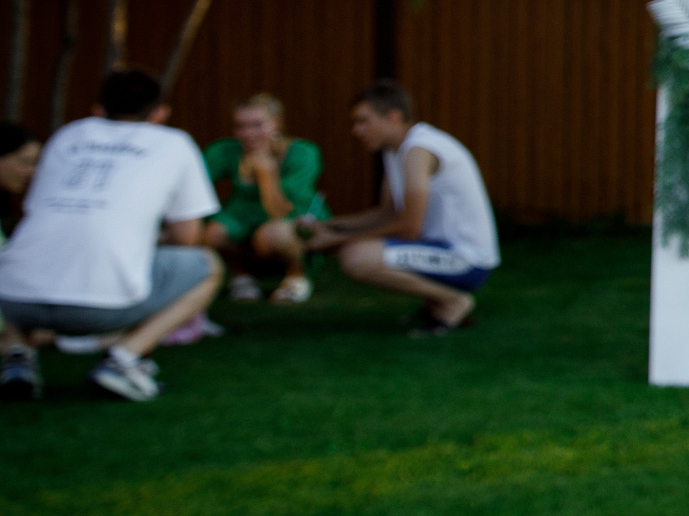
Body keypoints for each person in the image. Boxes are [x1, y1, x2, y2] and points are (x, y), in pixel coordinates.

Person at [0, 68, 224, 402]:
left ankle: (16, 356)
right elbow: (187, 238)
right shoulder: (173, 143)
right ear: (160, 113)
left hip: (13, 302)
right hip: (100, 309)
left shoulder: (68, 135)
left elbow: (38, 213)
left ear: (98, 110)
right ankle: (124, 360)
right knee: (208, 265)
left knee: (30, 255)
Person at [304, 82, 499, 333]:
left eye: (363, 121)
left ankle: (453, 301)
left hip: (467, 260)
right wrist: (326, 226)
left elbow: (409, 227)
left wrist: (337, 238)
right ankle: (435, 302)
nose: (357, 130)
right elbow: (385, 214)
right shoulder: (396, 150)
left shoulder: (419, 150)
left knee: (357, 256)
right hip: (440, 251)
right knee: (354, 249)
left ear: (393, 117)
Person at [203, 92, 329, 304]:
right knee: (213, 232)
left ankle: (296, 276)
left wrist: (265, 175)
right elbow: (195, 184)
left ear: (277, 124)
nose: (248, 133)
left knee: (271, 235)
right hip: (243, 215)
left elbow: (279, 211)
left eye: (257, 125)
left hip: (291, 217)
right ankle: (243, 277)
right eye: (241, 126)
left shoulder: (303, 153)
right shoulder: (225, 151)